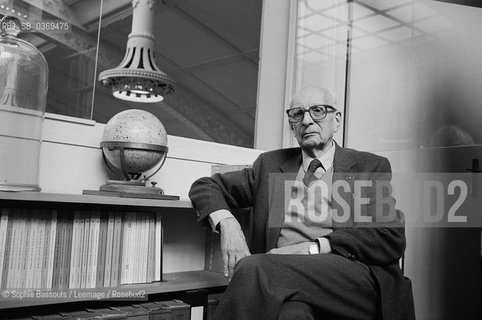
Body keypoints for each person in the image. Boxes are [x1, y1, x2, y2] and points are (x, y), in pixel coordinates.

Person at [189, 86, 415, 320]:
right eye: (298, 114)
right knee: (291, 314)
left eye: (317, 111)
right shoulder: (270, 165)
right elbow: (205, 186)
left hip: (350, 279)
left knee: (251, 267)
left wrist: (315, 247)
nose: (307, 120)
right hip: (282, 276)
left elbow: (390, 235)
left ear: (336, 120)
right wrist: (227, 223)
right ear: (292, 125)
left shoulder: (369, 166)